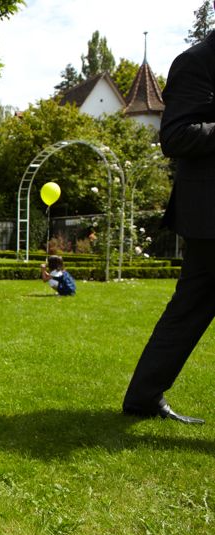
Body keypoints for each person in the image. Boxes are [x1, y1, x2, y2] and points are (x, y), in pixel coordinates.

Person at [122, 28, 215, 425]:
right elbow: (175, 135)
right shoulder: (197, 61)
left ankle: (143, 396)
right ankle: (143, 396)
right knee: (188, 310)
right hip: (210, 215)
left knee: (188, 310)